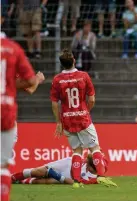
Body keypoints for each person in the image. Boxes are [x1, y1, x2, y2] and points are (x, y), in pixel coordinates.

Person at [50, 49, 107, 187]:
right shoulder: (83, 76)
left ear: (61, 64)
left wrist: (58, 121)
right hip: (83, 119)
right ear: (74, 60)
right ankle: (101, 176)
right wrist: (85, 111)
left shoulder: (57, 80)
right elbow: (92, 99)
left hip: (67, 120)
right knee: (94, 148)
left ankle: (76, 181)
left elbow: (54, 103)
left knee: (77, 151)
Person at [1, 15, 39, 200]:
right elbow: (31, 85)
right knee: (3, 165)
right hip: (6, 111)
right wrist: (38, 79)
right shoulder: (12, 49)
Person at [11, 154, 116, 186]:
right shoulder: (101, 162)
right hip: (68, 164)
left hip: (69, 176)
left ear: (93, 169)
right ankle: (13, 177)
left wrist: (55, 175)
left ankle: (22, 181)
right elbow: (98, 152)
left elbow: (73, 182)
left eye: (88, 165)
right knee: (40, 171)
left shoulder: (92, 179)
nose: (86, 164)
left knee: (45, 181)